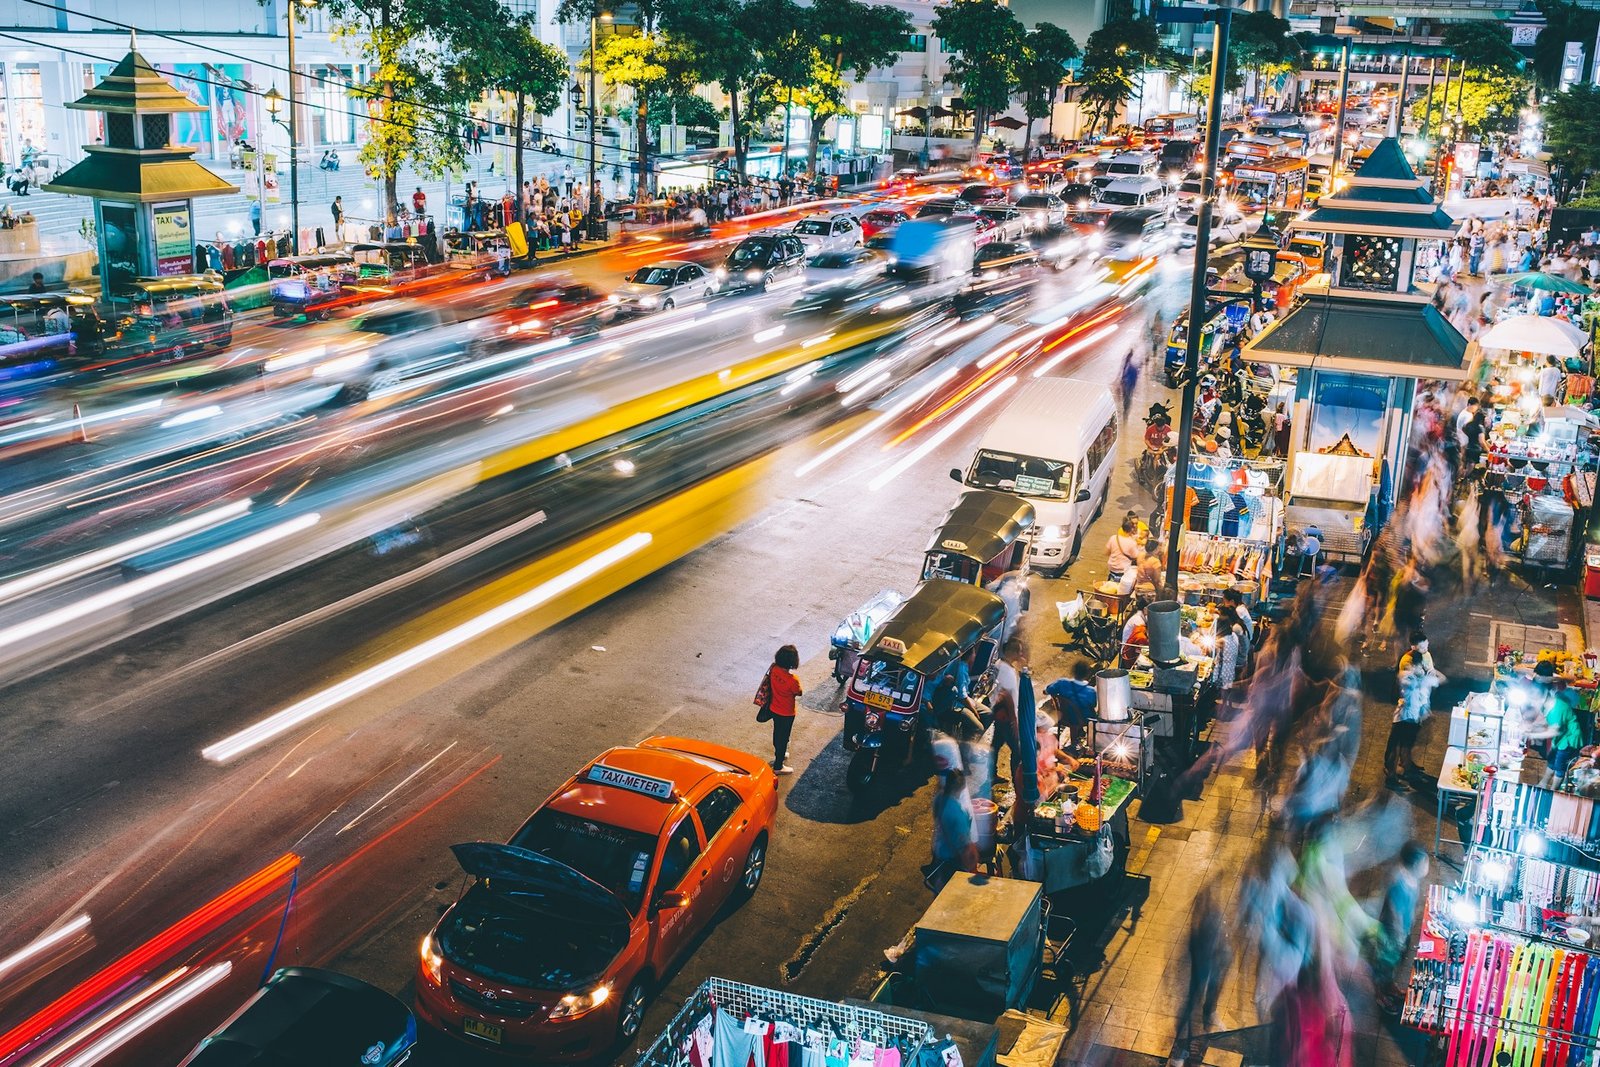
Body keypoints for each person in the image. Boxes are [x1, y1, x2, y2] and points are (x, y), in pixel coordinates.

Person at [1365, 842, 1429, 1012]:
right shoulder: (1399, 883)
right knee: (1383, 966)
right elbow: (1395, 913)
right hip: (1391, 935)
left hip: (1402, 934)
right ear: (1415, 864)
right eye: (1425, 863)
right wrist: (1400, 935)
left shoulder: (1412, 879)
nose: (1426, 866)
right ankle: (1380, 995)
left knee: (1393, 965)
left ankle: (1390, 986)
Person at [1385, 630, 1443, 791]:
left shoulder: (1425, 659)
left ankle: (1407, 765)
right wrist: (1426, 679)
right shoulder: (1407, 667)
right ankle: (1392, 775)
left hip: (1415, 712)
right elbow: (1412, 684)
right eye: (1422, 648)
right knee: (1397, 744)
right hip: (1405, 713)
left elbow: (1431, 672)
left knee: (1407, 743)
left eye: (1426, 647)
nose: (1426, 650)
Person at [1529, 661, 1586, 787]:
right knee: (1551, 761)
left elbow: (1554, 731)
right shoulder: (1546, 702)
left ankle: (1553, 791)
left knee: (1560, 766)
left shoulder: (1555, 708)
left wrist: (1532, 734)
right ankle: (1543, 784)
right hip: (1560, 736)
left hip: (1569, 738)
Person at [930, 769, 978, 890]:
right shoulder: (957, 813)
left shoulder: (939, 798)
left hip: (938, 849)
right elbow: (963, 845)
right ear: (961, 787)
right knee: (952, 889)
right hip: (951, 858)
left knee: (941, 883)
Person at [987, 638, 1025, 786]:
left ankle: (991, 774)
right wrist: (1014, 720)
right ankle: (1017, 781)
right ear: (1012, 652)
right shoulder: (1007, 671)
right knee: (1017, 750)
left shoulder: (999, 664)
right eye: (1019, 651)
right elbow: (1007, 696)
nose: (1021, 653)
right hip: (1007, 716)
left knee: (995, 745)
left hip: (999, 714)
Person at [762, 644, 803, 774]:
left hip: (774, 708)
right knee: (784, 737)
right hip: (787, 712)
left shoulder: (773, 670)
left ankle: (779, 754)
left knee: (777, 733)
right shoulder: (792, 680)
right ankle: (778, 766)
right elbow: (799, 692)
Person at [1044, 659, 1096, 751]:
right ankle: (1090, 744)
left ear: (1073, 671)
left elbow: (1047, 691)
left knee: (1074, 712)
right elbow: (1093, 704)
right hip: (1082, 720)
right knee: (1094, 715)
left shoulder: (1062, 683)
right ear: (1087, 674)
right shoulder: (1090, 691)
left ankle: (1077, 736)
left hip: (1064, 717)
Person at [1105, 517, 1141, 583]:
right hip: (1123, 570)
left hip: (1112, 568)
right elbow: (1136, 556)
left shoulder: (1113, 538)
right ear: (1131, 529)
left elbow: (1106, 552)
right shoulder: (1132, 542)